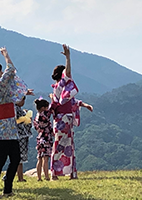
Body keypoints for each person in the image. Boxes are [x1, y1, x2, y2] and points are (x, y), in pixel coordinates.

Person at [0, 46, 32, 199]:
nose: (1, 73)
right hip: (5, 129)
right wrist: (6, 55)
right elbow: (11, 70)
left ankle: (5, 189)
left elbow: (13, 99)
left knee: (10, 159)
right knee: (3, 160)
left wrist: (25, 92)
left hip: (6, 128)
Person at [50, 44, 93, 180]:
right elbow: (68, 74)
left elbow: (73, 102)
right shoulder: (60, 87)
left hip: (62, 119)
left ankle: (70, 173)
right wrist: (68, 58)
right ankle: (55, 173)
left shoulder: (60, 90)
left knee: (67, 145)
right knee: (61, 145)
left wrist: (85, 105)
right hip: (63, 119)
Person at [33, 98, 54, 181]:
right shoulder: (44, 115)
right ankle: (46, 176)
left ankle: (39, 177)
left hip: (40, 137)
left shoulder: (37, 117)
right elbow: (51, 110)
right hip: (46, 138)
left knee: (40, 158)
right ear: (43, 108)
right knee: (45, 158)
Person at [15, 96, 33, 182]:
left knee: (18, 158)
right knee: (19, 158)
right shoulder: (16, 109)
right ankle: (20, 177)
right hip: (20, 136)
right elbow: (22, 121)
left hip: (19, 135)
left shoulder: (17, 109)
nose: (23, 102)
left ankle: (19, 176)